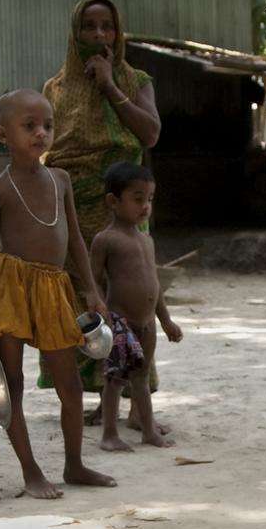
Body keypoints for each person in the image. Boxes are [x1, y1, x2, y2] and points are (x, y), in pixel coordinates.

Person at [0, 88, 117, 499]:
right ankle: (30, 470)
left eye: (48, 126)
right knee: (12, 384)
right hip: (10, 288)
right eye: (29, 126)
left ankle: (74, 464)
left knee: (70, 384)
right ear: (3, 134)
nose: (41, 133)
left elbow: (76, 242)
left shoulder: (61, 180)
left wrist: (91, 290)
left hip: (54, 287)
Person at [43, 0, 164, 418]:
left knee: (130, 295)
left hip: (123, 206)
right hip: (72, 211)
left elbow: (150, 134)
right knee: (85, 300)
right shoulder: (55, 89)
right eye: (89, 26)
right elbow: (47, 147)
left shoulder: (136, 81)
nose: (99, 35)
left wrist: (110, 85)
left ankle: (136, 399)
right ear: (75, 33)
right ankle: (98, 399)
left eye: (107, 26)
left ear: (118, 32)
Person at [90, 161, 182, 451]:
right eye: (137, 198)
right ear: (113, 201)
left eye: (150, 199)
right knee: (115, 380)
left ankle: (148, 431)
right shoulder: (106, 240)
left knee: (141, 378)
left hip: (147, 323)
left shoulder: (146, 240)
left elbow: (155, 286)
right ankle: (109, 434)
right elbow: (94, 281)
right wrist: (101, 313)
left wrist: (166, 320)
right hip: (120, 321)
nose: (145, 206)